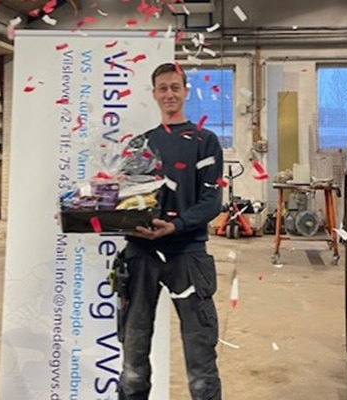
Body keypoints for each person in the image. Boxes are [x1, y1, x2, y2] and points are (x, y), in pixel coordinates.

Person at [117, 63, 224, 400]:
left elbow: (212, 201)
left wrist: (176, 226)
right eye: (162, 88)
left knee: (201, 362)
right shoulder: (140, 144)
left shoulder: (205, 141)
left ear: (185, 91)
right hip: (141, 254)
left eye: (175, 87)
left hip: (188, 254)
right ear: (154, 93)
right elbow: (125, 198)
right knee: (133, 361)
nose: (169, 94)